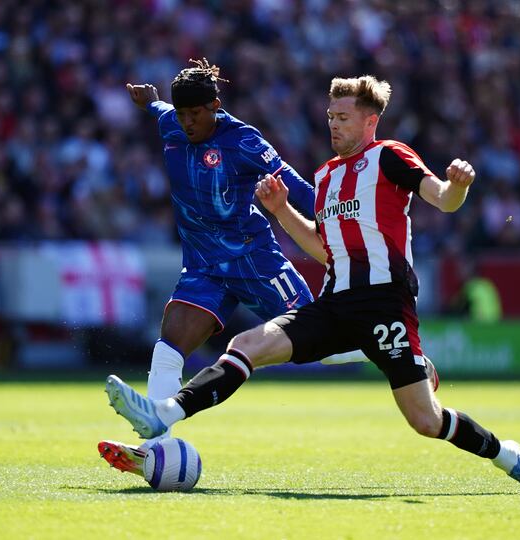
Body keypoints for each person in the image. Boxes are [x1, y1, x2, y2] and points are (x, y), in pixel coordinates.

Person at [105, 75, 520, 493]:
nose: (333, 125)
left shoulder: (389, 156)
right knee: (246, 344)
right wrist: (281, 210)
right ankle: (164, 413)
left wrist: (458, 185)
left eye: (342, 118)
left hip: (383, 304)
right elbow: (323, 245)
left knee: (425, 420)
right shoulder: (325, 177)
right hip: (334, 301)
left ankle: (507, 455)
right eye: (330, 117)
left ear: (369, 120)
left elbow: (442, 198)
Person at [99, 61, 438, 475]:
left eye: (195, 115)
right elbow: (161, 110)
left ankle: (399, 360)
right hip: (204, 266)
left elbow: (294, 184)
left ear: (215, 107)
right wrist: (149, 101)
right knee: (170, 341)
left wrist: (337, 207)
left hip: (255, 261)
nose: (188, 123)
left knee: (322, 342)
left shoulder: (242, 139)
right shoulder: (171, 123)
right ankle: (154, 448)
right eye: (182, 114)